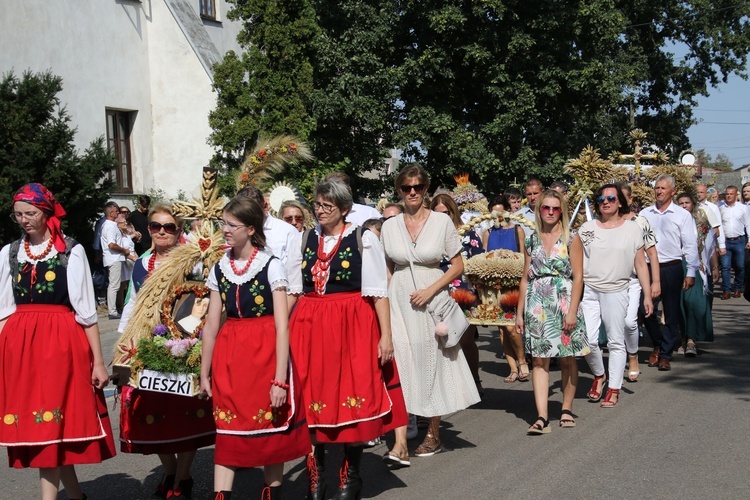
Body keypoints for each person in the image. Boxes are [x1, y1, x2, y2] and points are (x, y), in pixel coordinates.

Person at [289, 180, 406, 499]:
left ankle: (350, 474)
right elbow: (293, 288)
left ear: (344, 209)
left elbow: (377, 292)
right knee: (309, 400)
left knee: (352, 398)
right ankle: (315, 475)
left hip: (352, 324)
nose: (320, 210)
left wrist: (386, 336)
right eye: (317, 204)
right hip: (309, 324)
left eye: (328, 206)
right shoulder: (304, 238)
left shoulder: (362, 237)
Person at [0, 183, 115, 500]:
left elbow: (87, 312)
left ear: (46, 212)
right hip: (21, 347)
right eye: (19, 214)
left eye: (31, 213)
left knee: (49, 427)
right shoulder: (9, 253)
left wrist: (99, 362)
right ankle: (77, 496)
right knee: (47, 426)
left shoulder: (70, 251)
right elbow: (3, 311)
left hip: (61, 345)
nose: (24, 220)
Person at [200, 196, 309, 500]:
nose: (224, 229)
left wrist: (279, 379)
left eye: (231, 225)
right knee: (227, 430)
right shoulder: (220, 268)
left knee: (271, 432)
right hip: (231, 356)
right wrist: (204, 372)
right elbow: (211, 325)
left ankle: (270, 493)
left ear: (250, 229)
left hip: (265, 353)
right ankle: (222, 496)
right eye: (223, 223)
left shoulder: (270, 265)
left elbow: (282, 325)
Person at [117, 204, 215, 499]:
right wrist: (122, 347)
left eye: (169, 227)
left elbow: (206, 300)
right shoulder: (141, 264)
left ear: (179, 231)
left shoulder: (194, 261)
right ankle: (170, 470)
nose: (162, 232)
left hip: (186, 342)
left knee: (186, 415)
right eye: (156, 226)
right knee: (151, 412)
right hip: (148, 343)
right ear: (147, 230)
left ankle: (183, 478)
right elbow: (131, 305)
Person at [381, 164, 480, 456]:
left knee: (430, 361)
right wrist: (388, 300)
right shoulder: (389, 226)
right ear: (399, 190)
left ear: (426, 189)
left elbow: (459, 264)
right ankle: (405, 426)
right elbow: (387, 267)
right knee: (401, 361)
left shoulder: (441, 222)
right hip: (399, 299)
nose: (412, 193)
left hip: (431, 296)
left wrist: (431, 290)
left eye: (418, 187)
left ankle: (434, 433)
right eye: (406, 188)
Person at [516, 190, 589, 433]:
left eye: (555, 208)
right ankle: (542, 416)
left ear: (562, 211)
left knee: (568, 357)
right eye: (545, 208)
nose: (550, 212)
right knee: (539, 359)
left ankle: (566, 409)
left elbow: (578, 278)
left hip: (564, 301)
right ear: (539, 210)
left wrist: (572, 311)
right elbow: (525, 279)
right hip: (537, 304)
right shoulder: (531, 240)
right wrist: (519, 313)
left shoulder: (571, 238)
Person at [578, 184, 654, 408]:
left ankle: (614, 387)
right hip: (590, 290)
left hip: (617, 290)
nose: (606, 201)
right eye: (601, 198)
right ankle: (599, 375)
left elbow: (641, 264)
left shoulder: (632, 229)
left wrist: (647, 295)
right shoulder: (587, 228)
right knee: (588, 340)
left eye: (611, 197)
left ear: (620, 201)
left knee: (615, 342)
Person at [640, 175, 700, 371]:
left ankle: (665, 354)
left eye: (663, 188)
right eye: (656, 188)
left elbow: (690, 245)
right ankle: (658, 344)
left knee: (672, 312)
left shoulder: (682, 215)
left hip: (672, 267)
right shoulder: (645, 214)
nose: (659, 191)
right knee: (645, 310)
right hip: (648, 268)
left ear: (672, 191)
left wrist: (691, 271)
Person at [430, 193, 485, 395]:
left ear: (453, 212)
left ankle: (474, 381)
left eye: (445, 213)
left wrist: (479, 294)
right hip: (437, 292)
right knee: (440, 342)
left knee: (464, 340)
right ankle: (447, 387)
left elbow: (480, 262)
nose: (442, 217)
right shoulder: (429, 235)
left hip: (464, 293)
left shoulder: (468, 234)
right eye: (437, 214)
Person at [616, 182, 661, 382]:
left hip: (633, 280)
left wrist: (655, 282)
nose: (615, 202)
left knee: (629, 322)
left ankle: (633, 356)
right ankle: (614, 364)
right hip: (610, 281)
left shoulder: (640, 222)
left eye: (620, 197)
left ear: (630, 199)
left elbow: (652, 253)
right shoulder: (606, 222)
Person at [482, 195, 528, 383]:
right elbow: (484, 258)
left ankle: (522, 360)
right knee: (502, 329)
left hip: (514, 283)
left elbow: (525, 257)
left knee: (511, 327)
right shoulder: (487, 232)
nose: (499, 216)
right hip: (494, 285)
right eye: (495, 212)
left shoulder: (518, 230)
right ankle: (513, 368)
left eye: (502, 212)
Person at [237, 186, 303, 308]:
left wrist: (279, 321)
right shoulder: (236, 232)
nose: (248, 217)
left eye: (253, 211)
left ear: (265, 206)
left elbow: (294, 283)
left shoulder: (286, 231)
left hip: (277, 306)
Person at [676, 193, 717, 354]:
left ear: (693, 204)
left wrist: (714, 267)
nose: (684, 206)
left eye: (687, 202)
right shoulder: (673, 222)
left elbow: (710, 247)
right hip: (677, 265)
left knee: (692, 303)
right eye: (680, 203)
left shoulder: (701, 224)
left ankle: (692, 340)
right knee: (680, 304)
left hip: (696, 267)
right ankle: (683, 339)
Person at [718, 185, 750, 299]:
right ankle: (726, 290)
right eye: (727, 194)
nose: (729, 196)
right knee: (725, 267)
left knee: (740, 266)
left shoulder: (743, 208)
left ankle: (737, 288)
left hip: (739, 240)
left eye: (731, 194)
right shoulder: (721, 209)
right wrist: (719, 243)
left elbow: (748, 224)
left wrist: (749, 239)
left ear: (736, 195)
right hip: (726, 241)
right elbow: (719, 226)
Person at [100, 201, 131, 319]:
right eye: (116, 211)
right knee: (114, 284)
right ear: (111, 212)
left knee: (115, 284)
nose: (118, 213)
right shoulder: (109, 226)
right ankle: (112, 311)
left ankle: (114, 309)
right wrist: (124, 250)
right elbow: (111, 244)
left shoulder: (110, 225)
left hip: (115, 257)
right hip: (114, 257)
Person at [116, 211, 138, 313]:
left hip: (133, 259)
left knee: (132, 283)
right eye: (123, 222)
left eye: (125, 222)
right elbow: (122, 249)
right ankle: (121, 305)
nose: (125, 224)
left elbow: (132, 247)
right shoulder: (118, 235)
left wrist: (137, 257)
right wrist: (131, 257)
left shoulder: (127, 234)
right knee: (123, 285)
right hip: (125, 260)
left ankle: (131, 304)